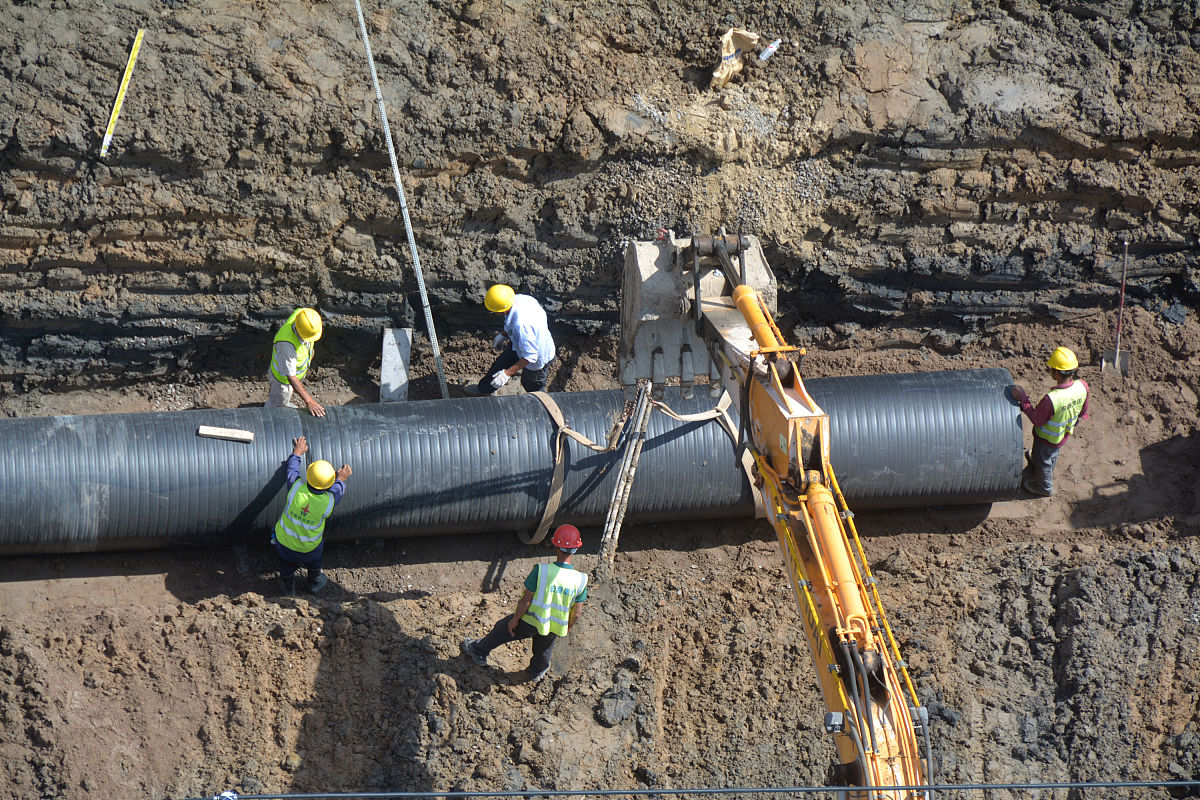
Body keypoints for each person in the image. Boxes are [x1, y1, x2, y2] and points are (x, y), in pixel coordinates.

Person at [461, 524, 588, 681]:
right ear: (576, 549)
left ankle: (478, 651)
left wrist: (515, 619)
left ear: (556, 546)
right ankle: (537, 672)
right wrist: (568, 626)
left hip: (531, 620)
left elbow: (526, 600)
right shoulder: (581, 579)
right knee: (544, 649)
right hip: (554, 626)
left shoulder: (541, 571)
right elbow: (577, 612)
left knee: (502, 629)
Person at [272, 436, 351, 594]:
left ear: (308, 475)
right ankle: (314, 581)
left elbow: (291, 470)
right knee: (315, 563)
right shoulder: (328, 501)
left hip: (285, 543)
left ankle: (288, 587)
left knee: (286, 566)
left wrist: (297, 453)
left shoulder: (295, 488)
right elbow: (337, 491)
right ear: (329, 484)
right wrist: (341, 479)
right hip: (310, 547)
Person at [1010, 346, 1090, 497]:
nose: (1050, 370)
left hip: (1047, 438)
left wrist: (1023, 399)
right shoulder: (1082, 386)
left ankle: (1044, 488)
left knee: (1044, 461)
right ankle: (1039, 462)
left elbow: (1037, 420)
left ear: (1057, 372)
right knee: (1051, 455)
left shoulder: (1053, 399)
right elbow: (1084, 409)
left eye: (1052, 368)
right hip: (1063, 434)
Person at [464, 284, 556, 396]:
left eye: (494, 310)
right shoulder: (519, 299)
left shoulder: (521, 324)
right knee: (500, 365)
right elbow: (510, 320)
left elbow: (531, 356)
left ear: (502, 309)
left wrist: (507, 374)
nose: (493, 313)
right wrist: (503, 334)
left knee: (531, 385)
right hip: (521, 344)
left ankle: (543, 407)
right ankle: (484, 389)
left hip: (537, 355)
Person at [266, 307, 326, 417]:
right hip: (282, 381)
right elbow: (291, 377)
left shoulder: (304, 316)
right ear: (299, 331)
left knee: (288, 395)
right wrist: (309, 401)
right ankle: (273, 415)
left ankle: (283, 404)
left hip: (294, 374)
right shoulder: (286, 345)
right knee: (278, 402)